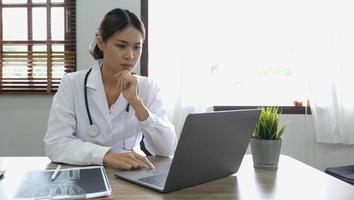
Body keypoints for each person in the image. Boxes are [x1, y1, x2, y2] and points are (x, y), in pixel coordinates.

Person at [44, 8, 177, 170]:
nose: (130, 55)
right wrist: (105, 156)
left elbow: (166, 149)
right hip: (85, 173)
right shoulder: (72, 84)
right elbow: (55, 144)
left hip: (132, 174)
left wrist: (136, 103)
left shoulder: (148, 88)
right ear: (101, 43)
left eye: (137, 47)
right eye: (121, 46)